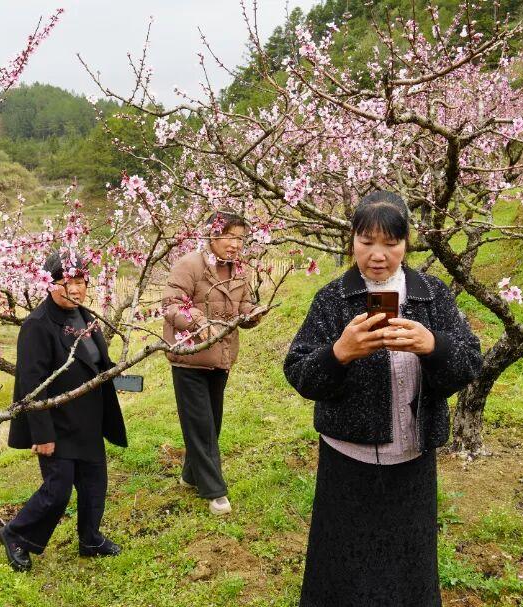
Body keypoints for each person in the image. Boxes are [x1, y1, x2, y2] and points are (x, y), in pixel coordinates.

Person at [283, 191, 483, 606]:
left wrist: (433, 345)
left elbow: (469, 362)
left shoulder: (432, 295)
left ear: (406, 243)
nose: (378, 255)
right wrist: (339, 353)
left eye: (390, 243)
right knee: (342, 560)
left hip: (413, 455)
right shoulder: (332, 299)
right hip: (347, 457)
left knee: (408, 559)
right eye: (366, 241)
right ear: (351, 241)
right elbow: (300, 373)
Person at [0, 250, 128, 572]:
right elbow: (31, 383)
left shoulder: (86, 316)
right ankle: (15, 535)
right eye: (68, 281)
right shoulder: (38, 325)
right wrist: (42, 434)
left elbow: (94, 361)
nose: (77, 288)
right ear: (49, 284)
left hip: (89, 420)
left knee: (95, 483)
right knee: (57, 491)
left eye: (82, 280)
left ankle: (90, 538)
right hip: (57, 424)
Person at [162, 210, 266, 515]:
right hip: (190, 358)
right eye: (229, 236)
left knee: (212, 423)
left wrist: (252, 314)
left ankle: (189, 476)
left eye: (241, 238)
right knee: (201, 425)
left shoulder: (238, 271)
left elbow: (240, 307)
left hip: (220, 357)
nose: (235, 244)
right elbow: (171, 305)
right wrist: (195, 321)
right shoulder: (189, 265)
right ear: (212, 235)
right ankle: (214, 491)